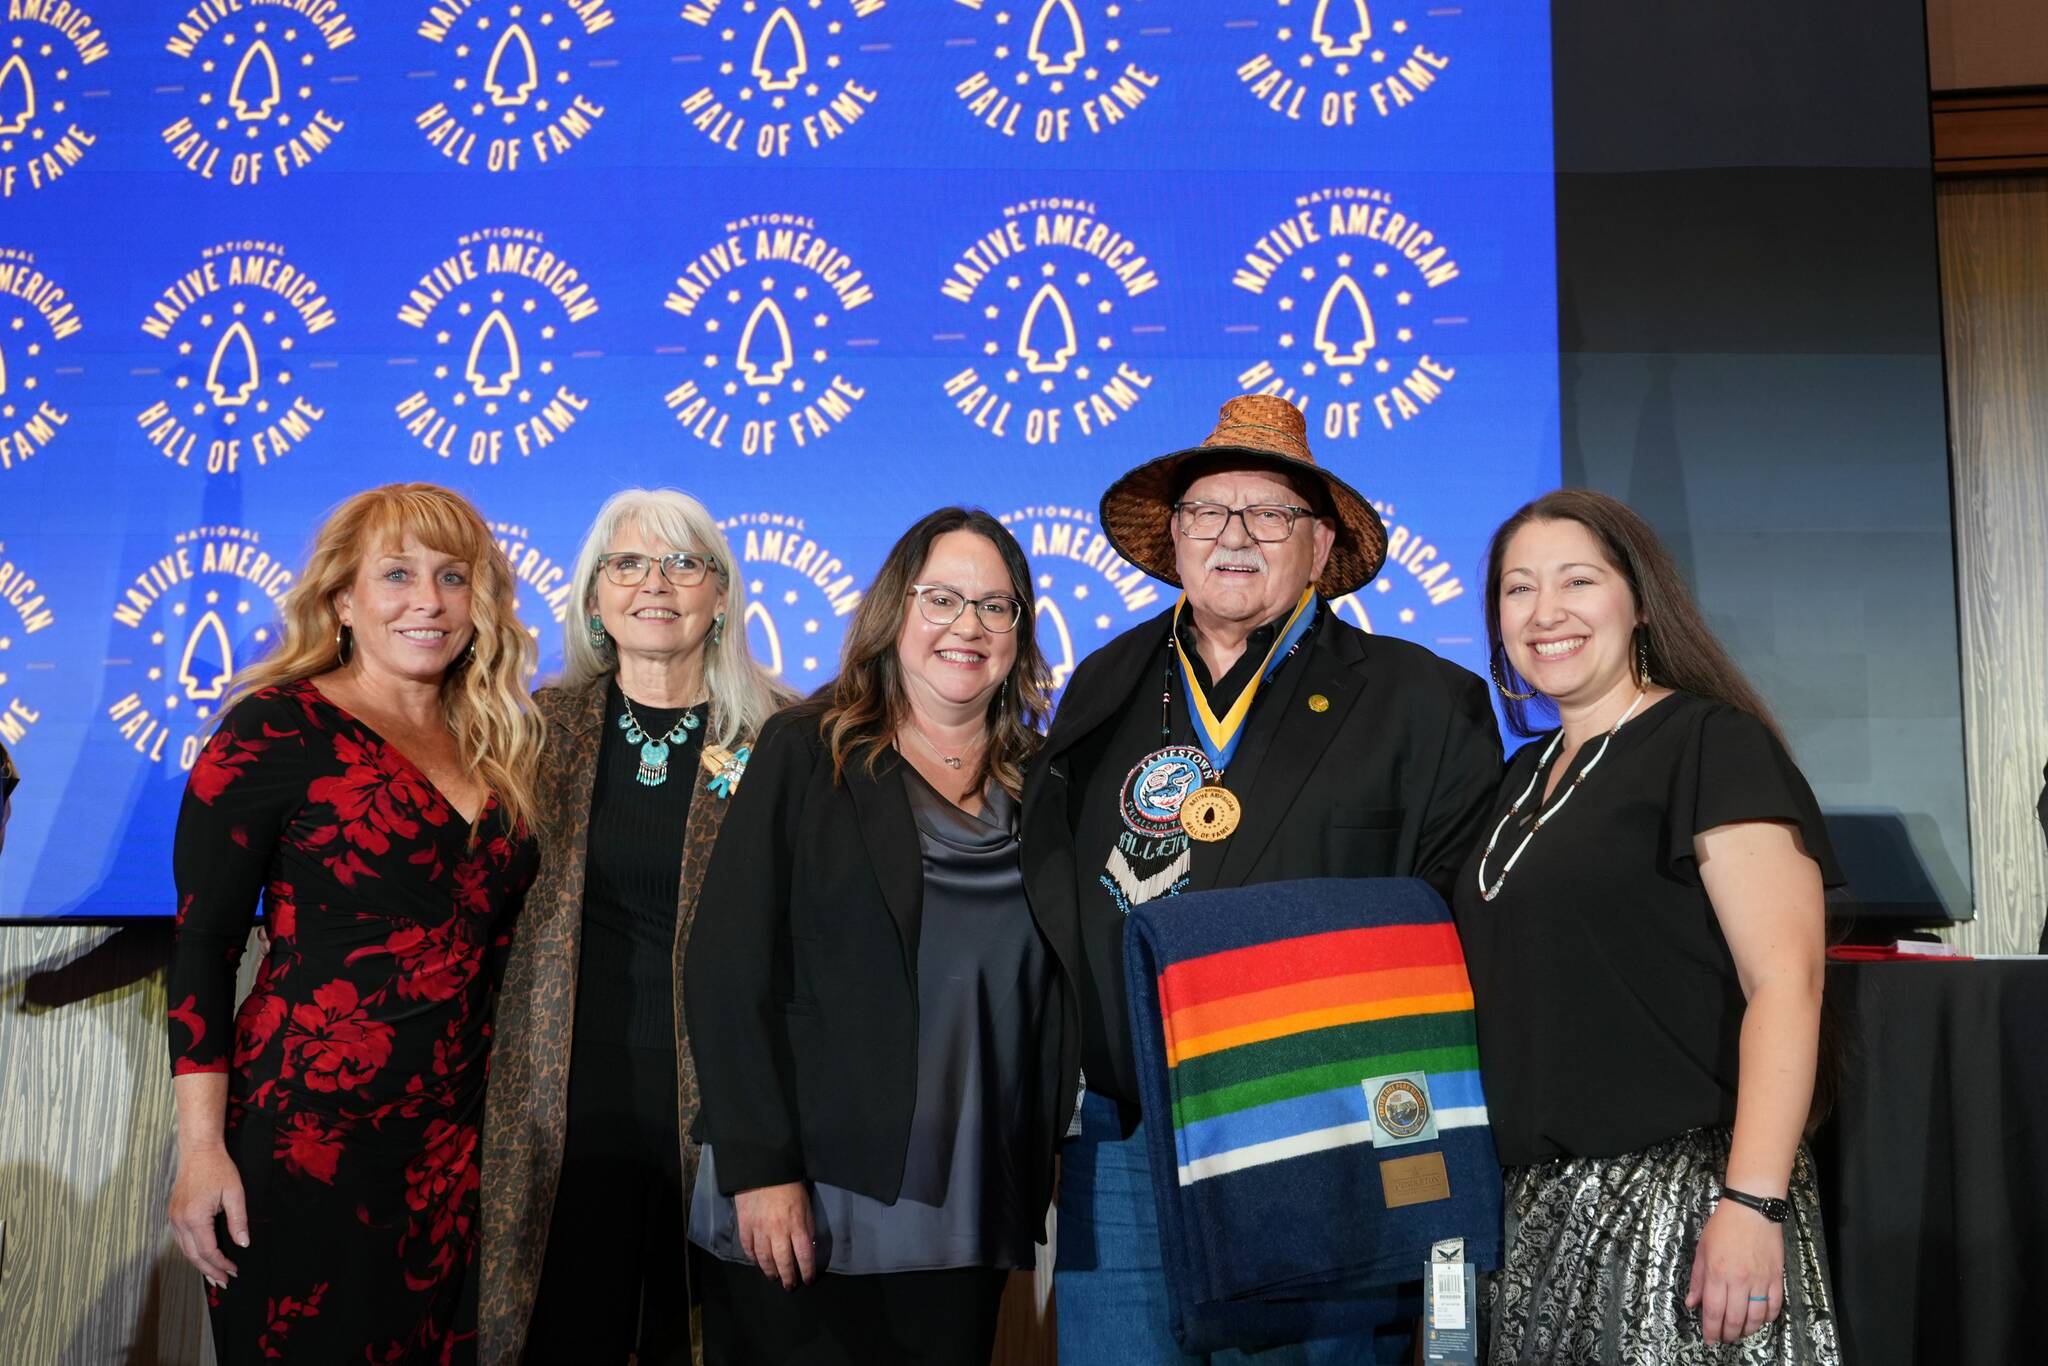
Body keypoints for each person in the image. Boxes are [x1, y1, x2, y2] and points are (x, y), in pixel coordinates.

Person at [1023, 394, 1503, 1364]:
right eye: (1208, 511)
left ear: (1319, 546)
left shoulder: (1418, 703)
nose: (1234, 536)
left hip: (1313, 1140)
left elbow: (1457, 944)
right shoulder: (1104, 687)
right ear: (1174, 538)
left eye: (1269, 514)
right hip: (1120, 1151)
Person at [1453, 488, 1841, 1363]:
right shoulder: (1515, 783)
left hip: (1682, 1201)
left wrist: (1751, 1204)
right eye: (1518, 590)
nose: (1545, 613)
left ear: (1638, 605)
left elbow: (1787, 980)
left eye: (1577, 581)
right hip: (1532, 1214)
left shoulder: (1710, 743)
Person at [165, 483, 543, 1363]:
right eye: (398, 575)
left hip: (462, 1150)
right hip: (304, 1144)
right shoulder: (273, 728)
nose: (429, 601)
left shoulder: (505, 743)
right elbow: (203, 949)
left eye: (453, 577)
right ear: (342, 600)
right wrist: (201, 1150)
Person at [683, 507, 1067, 1365]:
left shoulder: (1047, 783)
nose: (968, 626)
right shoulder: (807, 752)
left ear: (1019, 633)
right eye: (942, 599)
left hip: (971, 1192)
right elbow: (724, 967)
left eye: (995, 606)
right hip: (809, 1194)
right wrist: (760, 1167)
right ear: (894, 612)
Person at [477, 489, 793, 1366]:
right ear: (593, 596)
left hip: (724, 1107)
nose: (655, 583)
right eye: (627, 564)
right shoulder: (534, 732)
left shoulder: (786, 739)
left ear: (723, 594)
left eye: (684, 563)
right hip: (561, 1105)